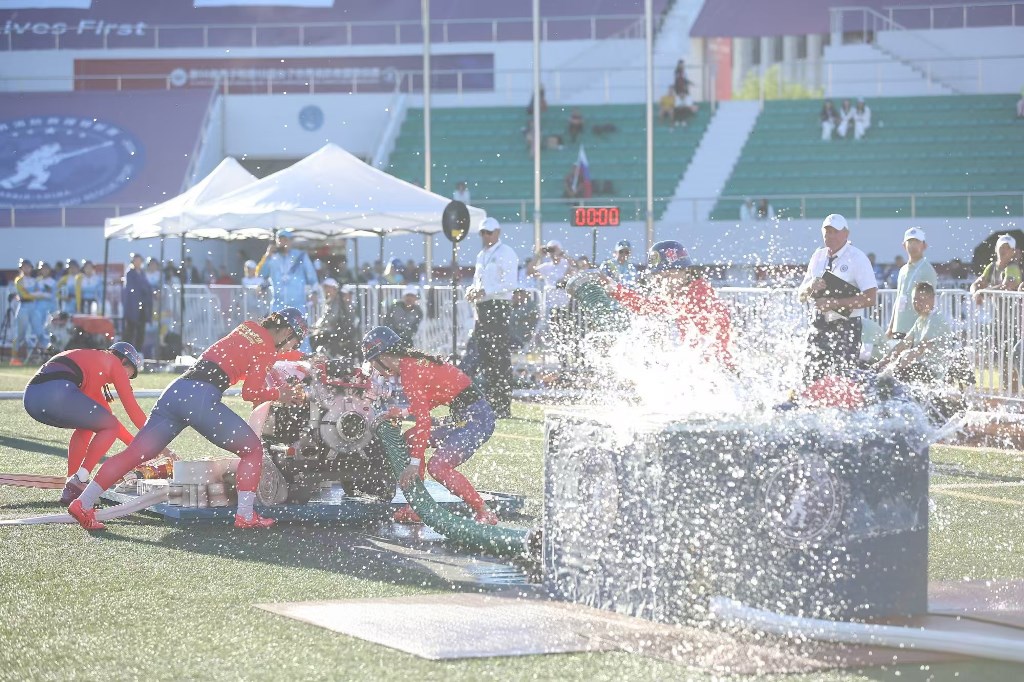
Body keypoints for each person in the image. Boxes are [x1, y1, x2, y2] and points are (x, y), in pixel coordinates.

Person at [67, 308, 309, 531]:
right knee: (252, 450)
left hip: (176, 391)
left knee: (133, 454)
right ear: (288, 332)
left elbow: (239, 360)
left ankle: (83, 503)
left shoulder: (247, 327)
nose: (290, 348)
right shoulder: (267, 348)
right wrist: (280, 394)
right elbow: (250, 392)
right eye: (294, 342)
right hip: (200, 397)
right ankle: (245, 515)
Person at [361, 326, 498, 526]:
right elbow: (434, 397)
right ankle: (417, 507)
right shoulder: (410, 365)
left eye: (373, 362)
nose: (374, 368)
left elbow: (424, 421)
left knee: (438, 466)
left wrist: (414, 464)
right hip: (468, 417)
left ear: (382, 356)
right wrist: (404, 413)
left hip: (477, 421)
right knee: (410, 437)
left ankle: (484, 511)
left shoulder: (409, 372)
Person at [23, 342, 149, 505]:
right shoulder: (113, 362)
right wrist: (155, 441)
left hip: (32, 399)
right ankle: (79, 480)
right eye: (129, 374)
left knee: (90, 425)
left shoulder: (94, 364)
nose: (127, 379)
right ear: (124, 361)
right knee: (107, 425)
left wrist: (136, 446)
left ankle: (72, 483)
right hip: (56, 392)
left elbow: (109, 420)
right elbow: (132, 410)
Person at [608, 240, 733, 368]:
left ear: (685, 272)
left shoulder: (698, 297)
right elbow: (644, 306)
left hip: (716, 368)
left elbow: (707, 347)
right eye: (658, 278)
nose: (662, 283)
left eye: (667, 276)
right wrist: (613, 288)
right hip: (706, 366)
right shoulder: (681, 293)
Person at [797, 213, 878, 381]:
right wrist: (811, 286)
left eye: (835, 232)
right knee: (811, 373)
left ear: (846, 234)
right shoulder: (818, 256)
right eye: (827, 232)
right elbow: (801, 295)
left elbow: (870, 298)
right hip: (819, 322)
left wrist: (833, 303)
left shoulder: (858, 257)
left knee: (844, 376)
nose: (831, 236)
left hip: (847, 324)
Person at [465, 217, 518, 419]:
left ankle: (503, 404)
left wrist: (485, 291)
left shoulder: (506, 252)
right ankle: (491, 401)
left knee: (499, 355)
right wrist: (471, 290)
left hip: (498, 306)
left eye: (489, 232)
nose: (486, 236)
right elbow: (476, 280)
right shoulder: (482, 255)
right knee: (486, 354)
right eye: (483, 233)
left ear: (498, 232)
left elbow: (510, 284)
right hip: (482, 307)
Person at [878, 282, 954, 383]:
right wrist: (882, 362)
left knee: (893, 378)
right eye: (915, 300)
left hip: (933, 371)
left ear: (932, 299)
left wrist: (897, 367)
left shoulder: (936, 320)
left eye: (922, 299)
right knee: (885, 376)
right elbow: (903, 344)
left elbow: (920, 348)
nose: (917, 303)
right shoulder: (920, 320)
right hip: (920, 367)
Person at [528, 240, 576, 364]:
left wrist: (562, 254)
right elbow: (530, 272)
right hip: (553, 306)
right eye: (550, 249)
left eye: (554, 249)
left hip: (567, 305)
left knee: (570, 334)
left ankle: (574, 361)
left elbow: (575, 267)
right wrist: (538, 256)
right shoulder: (546, 267)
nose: (552, 252)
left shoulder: (566, 263)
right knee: (558, 335)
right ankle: (563, 363)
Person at [887, 227, 938, 339]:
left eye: (917, 242)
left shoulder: (927, 270)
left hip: (916, 330)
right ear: (903, 245)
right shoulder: (903, 270)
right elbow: (898, 298)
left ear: (924, 246)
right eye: (910, 242)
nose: (913, 245)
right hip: (899, 327)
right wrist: (891, 327)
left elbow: (929, 303)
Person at [256, 229, 318, 312]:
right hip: (278, 305)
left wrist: (314, 293)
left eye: (285, 240)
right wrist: (267, 256)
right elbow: (261, 274)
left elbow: (312, 276)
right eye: (280, 240)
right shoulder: (272, 258)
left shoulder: (300, 256)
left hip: (297, 305)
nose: (282, 243)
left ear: (290, 242)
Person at [971, 233, 1021, 305]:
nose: (1003, 250)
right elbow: (976, 284)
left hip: (1014, 310)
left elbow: (1006, 286)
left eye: (1008, 248)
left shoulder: (1013, 267)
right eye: (1001, 247)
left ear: (1013, 252)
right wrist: (975, 293)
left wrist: (982, 293)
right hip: (997, 310)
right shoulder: (991, 267)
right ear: (996, 249)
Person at [10, 258, 40, 366]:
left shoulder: (34, 280)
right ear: (21, 268)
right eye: (24, 267)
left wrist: (35, 295)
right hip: (23, 307)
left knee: (34, 333)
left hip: (33, 307)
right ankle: (14, 358)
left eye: (28, 267)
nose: (27, 269)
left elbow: (38, 293)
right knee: (21, 334)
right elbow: (24, 295)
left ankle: (30, 357)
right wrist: (35, 295)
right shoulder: (19, 280)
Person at [121, 253, 152, 351]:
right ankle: (126, 350)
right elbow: (133, 289)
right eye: (136, 260)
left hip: (142, 304)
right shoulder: (130, 273)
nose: (138, 262)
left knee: (141, 329)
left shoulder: (142, 273)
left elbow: (147, 286)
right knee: (130, 329)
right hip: (132, 305)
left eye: (139, 260)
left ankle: (138, 350)